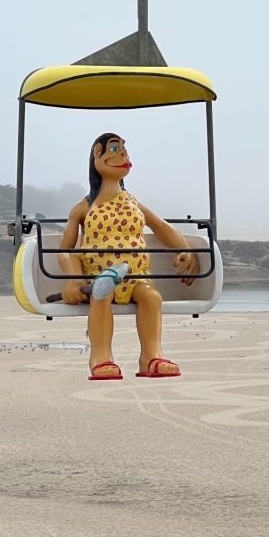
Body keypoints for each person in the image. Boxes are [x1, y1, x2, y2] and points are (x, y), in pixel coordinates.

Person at [58, 133, 199, 380]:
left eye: (124, 149)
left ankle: (151, 356)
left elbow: (160, 226)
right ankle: (100, 357)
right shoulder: (83, 208)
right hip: (99, 277)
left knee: (152, 297)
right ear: (97, 155)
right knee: (102, 293)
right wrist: (73, 279)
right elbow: (64, 249)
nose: (123, 154)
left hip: (136, 276)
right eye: (114, 148)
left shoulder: (133, 203)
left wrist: (184, 248)